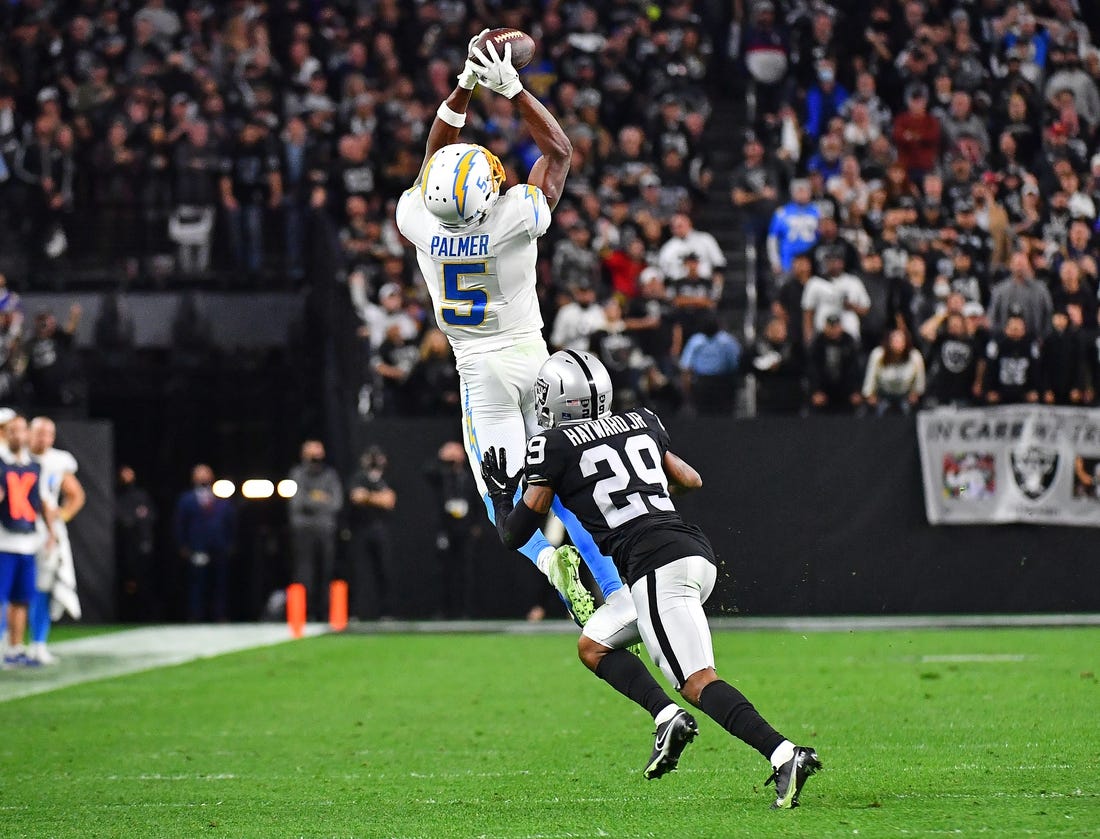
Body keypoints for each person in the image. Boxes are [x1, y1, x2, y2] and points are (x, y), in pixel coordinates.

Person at [481, 350, 821, 807]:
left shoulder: (553, 446)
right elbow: (691, 479)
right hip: (689, 551)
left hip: (656, 566)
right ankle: (666, 718)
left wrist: (504, 497)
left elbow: (514, 534)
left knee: (698, 682)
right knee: (593, 644)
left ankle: (784, 754)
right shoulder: (641, 421)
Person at [393, 33, 621, 624]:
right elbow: (561, 151)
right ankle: (615, 587)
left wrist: (463, 83)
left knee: (507, 507)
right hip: (537, 362)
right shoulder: (516, 214)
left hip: (482, 376)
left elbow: (430, 160)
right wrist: (512, 90)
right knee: (569, 486)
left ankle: (550, 566)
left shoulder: (419, 220)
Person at [0, 414, 57, 667]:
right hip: (3, 541)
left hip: (27, 540)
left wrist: (52, 532)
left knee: (21, 599)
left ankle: (15, 647)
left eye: (21, 430)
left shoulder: (35, 466)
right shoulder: (1, 463)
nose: (17, 435)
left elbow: (43, 502)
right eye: (12, 431)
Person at [27, 416, 85, 664]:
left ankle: (38, 643)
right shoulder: (12, 457)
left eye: (48, 434)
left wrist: (60, 517)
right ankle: (9, 643)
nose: (43, 439)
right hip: (15, 527)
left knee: (44, 587)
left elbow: (76, 495)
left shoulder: (58, 460)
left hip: (46, 531)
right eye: (39, 433)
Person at [423, 440, 482, 619]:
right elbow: (427, 472)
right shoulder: (441, 476)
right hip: (446, 528)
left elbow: (478, 500)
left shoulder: (469, 476)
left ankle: (466, 611)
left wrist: (476, 525)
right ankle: (443, 610)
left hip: (464, 528)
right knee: (443, 571)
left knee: (466, 571)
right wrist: (443, 458)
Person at [287, 440, 343, 621]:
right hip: (303, 529)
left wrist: (312, 500)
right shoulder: (297, 474)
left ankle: (326, 612)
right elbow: (298, 502)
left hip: (325, 529)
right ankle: (305, 612)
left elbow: (336, 503)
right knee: (305, 572)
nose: (316, 458)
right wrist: (321, 499)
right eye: (312, 453)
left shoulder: (330, 475)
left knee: (327, 570)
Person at [174, 463, 235, 622]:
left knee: (220, 584)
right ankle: (196, 615)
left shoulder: (222, 500)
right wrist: (183, 545)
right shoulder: (186, 500)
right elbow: (180, 523)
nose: (203, 477)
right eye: (199, 474)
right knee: (197, 582)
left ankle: (220, 614)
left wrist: (229, 543)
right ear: (193, 478)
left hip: (219, 547)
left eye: (205, 474)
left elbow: (230, 523)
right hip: (197, 546)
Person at [345, 445, 396, 620]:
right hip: (361, 529)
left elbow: (389, 501)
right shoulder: (358, 477)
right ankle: (357, 612)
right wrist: (377, 498)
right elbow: (356, 497)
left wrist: (368, 497)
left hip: (381, 529)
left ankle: (386, 612)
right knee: (359, 572)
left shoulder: (387, 478)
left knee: (384, 570)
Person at [861, 329, 926, 415]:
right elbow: (870, 377)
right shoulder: (878, 354)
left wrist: (916, 392)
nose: (898, 344)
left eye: (901, 341)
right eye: (895, 341)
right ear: (889, 342)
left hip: (905, 395)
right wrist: (869, 394)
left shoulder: (915, 356)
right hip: (883, 394)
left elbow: (920, 380)